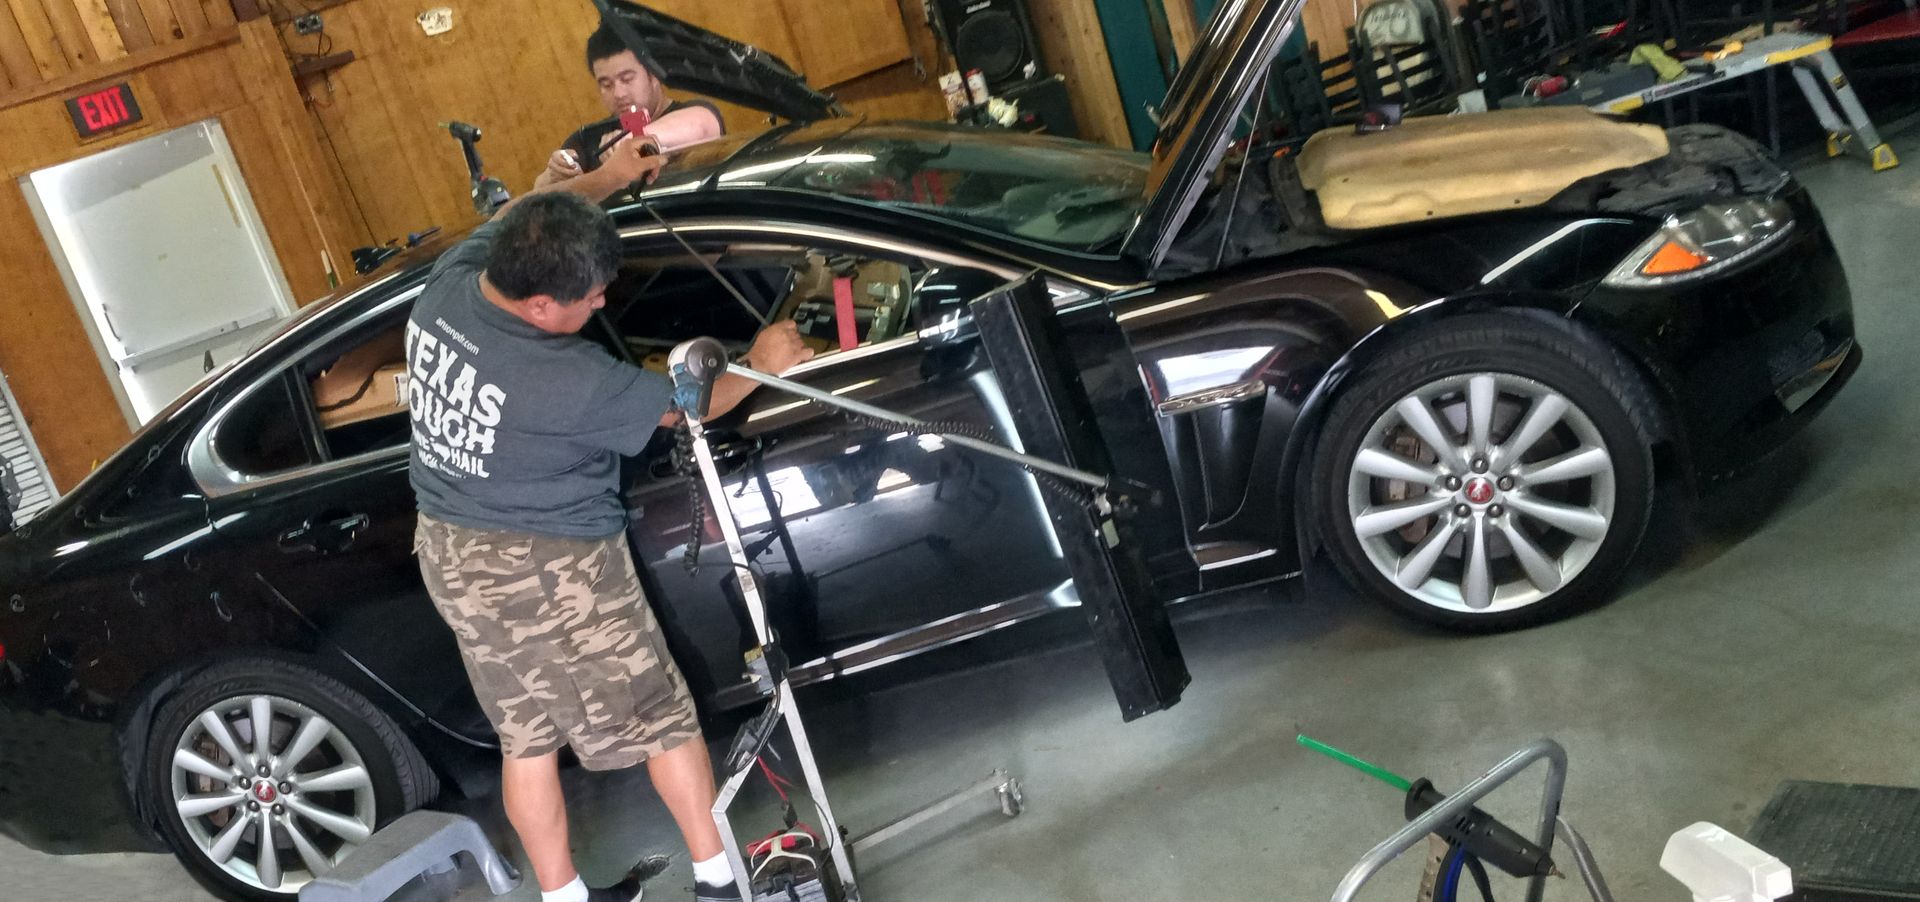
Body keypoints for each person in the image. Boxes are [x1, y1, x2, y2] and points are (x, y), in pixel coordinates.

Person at [409, 135, 811, 902]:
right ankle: (719, 882)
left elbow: (528, 213)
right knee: (660, 713)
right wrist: (760, 360)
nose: (602, 303)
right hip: (546, 565)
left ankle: (564, 899)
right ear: (537, 304)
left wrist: (608, 178)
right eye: (591, 296)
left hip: (452, 550)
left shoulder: (457, 280)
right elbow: (689, 405)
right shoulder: (566, 378)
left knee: (525, 735)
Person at [535, 23, 727, 189]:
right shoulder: (587, 140)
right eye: (606, 84)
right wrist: (553, 176)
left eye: (627, 79)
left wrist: (630, 143)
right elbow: (539, 194)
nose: (619, 94)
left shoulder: (691, 113)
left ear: (654, 75)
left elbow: (701, 124)